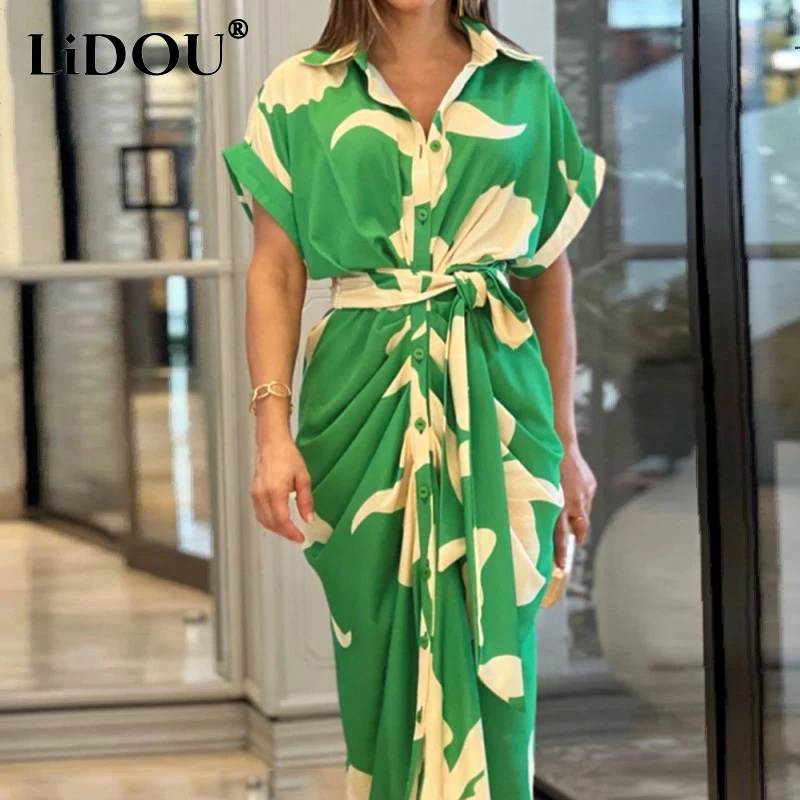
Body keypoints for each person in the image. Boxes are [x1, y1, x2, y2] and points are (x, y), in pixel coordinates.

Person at [222, 1, 604, 797]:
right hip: (361, 403)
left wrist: (568, 444)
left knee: (500, 659)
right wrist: (271, 429)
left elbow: (546, 274)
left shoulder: (523, 86)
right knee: (377, 661)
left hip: (500, 403)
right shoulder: (297, 91)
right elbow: (277, 271)